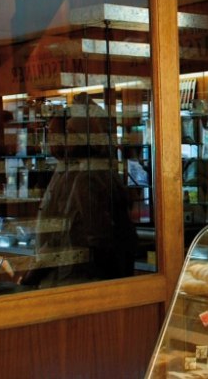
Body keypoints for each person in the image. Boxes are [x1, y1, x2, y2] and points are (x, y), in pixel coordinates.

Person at [21, 93, 138, 287]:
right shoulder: (78, 170)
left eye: (67, 134)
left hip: (80, 278)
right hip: (72, 276)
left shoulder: (88, 175)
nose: (59, 142)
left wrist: (35, 273)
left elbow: (93, 238)